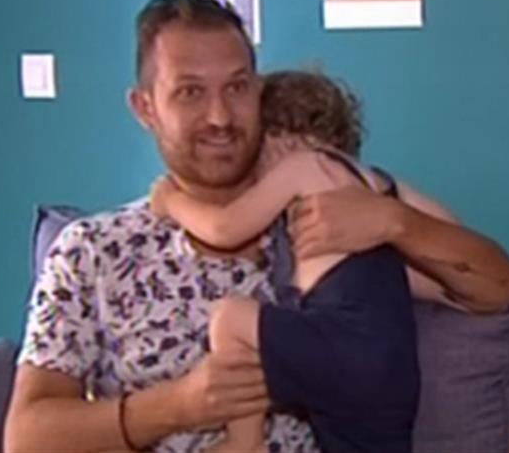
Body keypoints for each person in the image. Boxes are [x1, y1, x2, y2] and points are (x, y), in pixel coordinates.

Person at [3, 0, 509, 453]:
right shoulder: (93, 251)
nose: (220, 117)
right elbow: (26, 437)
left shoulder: (321, 225)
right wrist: (177, 406)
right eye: (190, 92)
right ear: (146, 108)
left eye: (237, 88)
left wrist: (396, 222)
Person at [150, 69, 441, 453]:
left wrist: (171, 201)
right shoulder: (373, 185)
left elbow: (224, 228)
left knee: (231, 317)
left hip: (343, 341)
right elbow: (440, 246)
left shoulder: (304, 166)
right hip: (392, 371)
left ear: (276, 139)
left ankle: (243, 441)